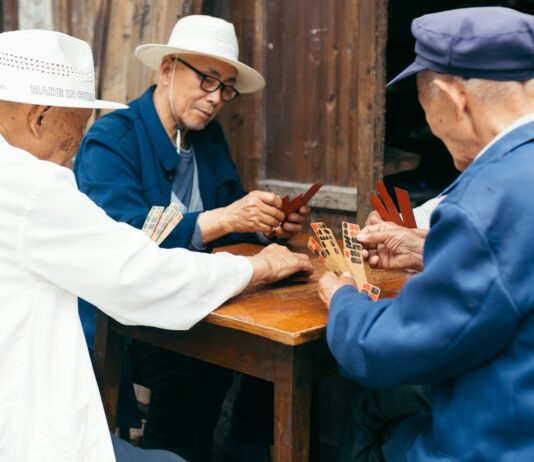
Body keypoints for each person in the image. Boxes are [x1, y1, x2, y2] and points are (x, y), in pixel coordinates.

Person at [0, 29, 312, 462]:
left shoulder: (209, 140)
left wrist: (262, 227)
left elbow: (228, 217)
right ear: (39, 117)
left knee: (256, 373)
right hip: (92, 353)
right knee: (192, 372)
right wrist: (255, 266)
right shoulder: (56, 172)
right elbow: (132, 264)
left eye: (226, 89)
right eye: (78, 121)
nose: (216, 97)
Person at [319, 6, 534, 461]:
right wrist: (427, 250)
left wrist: (341, 297)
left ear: (452, 96)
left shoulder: (488, 198)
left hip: (498, 438)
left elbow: (385, 351)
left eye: (421, 102)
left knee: (379, 419)